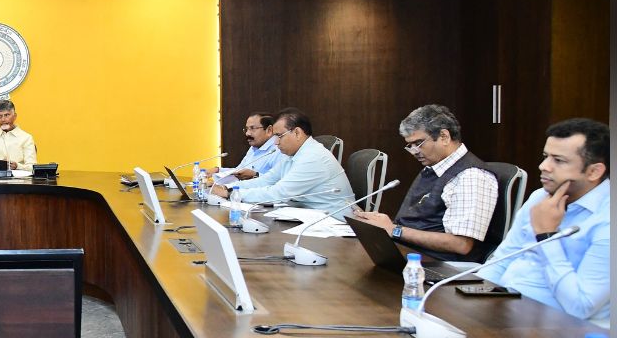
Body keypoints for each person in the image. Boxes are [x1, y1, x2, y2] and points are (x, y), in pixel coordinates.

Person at [479, 118, 609, 327]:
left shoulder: (607, 220)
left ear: (594, 171)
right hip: (506, 311)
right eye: (545, 156)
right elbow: (501, 260)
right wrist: (474, 295)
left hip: (562, 331)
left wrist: (546, 236)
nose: (543, 166)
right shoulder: (540, 196)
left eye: (559, 160)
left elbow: (581, 307)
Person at [353, 105, 499, 262]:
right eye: (410, 145)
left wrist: (394, 230)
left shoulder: (470, 176)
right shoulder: (434, 166)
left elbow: (461, 244)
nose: (414, 151)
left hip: (441, 267)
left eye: (419, 143)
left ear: (444, 136)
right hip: (412, 255)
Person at [211, 108, 354, 217]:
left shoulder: (313, 157)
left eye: (279, 136)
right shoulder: (291, 154)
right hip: (311, 216)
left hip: (335, 222)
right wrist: (227, 187)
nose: (276, 142)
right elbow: (267, 180)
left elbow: (278, 193)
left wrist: (230, 193)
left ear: (297, 133)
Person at [0, 100, 37, 171]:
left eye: (6, 115)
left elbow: (32, 167)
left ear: (15, 116)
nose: (3, 119)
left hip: (19, 180)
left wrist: (18, 166)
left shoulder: (26, 138)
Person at [230, 111, 283, 180]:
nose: (247, 133)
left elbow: (279, 181)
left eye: (252, 128)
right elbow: (238, 170)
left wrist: (256, 175)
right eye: (246, 129)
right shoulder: (253, 147)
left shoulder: (279, 149)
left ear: (269, 130)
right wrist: (218, 170)